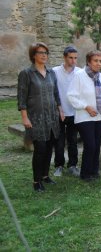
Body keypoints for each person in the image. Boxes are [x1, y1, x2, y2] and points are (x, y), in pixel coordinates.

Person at [17, 42, 63, 192]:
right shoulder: (26, 73)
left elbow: (56, 93)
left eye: (46, 53)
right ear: (33, 55)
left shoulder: (51, 73)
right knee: (40, 149)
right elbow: (22, 97)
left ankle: (45, 175)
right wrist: (25, 117)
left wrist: (60, 110)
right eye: (40, 52)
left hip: (51, 116)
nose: (44, 55)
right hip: (36, 117)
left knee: (49, 147)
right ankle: (36, 181)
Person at [67, 50, 101, 182]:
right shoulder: (79, 75)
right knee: (90, 145)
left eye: (100, 61)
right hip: (84, 117)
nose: (98, 63)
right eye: (95, 61)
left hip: (99, 117)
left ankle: (94, 171)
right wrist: (86, 107)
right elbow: (71, 96)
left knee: (97, 144)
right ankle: (85, 173)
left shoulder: (100, 76)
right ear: (89, 62)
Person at [52, 46, 81, 177]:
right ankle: (59, 166)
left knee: (73, 140)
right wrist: (58, 108)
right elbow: (52, 91)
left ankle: (73, 165)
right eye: (70, 57)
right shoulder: (54, 72)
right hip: (59, 112)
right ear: (64, 57)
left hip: (74, 112)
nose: (73, 60)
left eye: (75, 58)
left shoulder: (80, 72)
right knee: (58, 141)